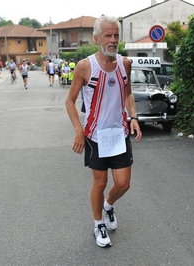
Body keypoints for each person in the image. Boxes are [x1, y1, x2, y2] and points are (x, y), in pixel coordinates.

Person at [65, 15, 142, 248]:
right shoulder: (85, 66)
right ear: (96, 38)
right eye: (108, 35)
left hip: (118, 133)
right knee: (99, 183)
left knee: (123, 184)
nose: (113, 40)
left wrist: (133, 117)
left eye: (116, 35)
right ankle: (98, 223)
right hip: (95, 135)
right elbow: (70, 101)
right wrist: (79, 130)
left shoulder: (125, 64)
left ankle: (108, 205)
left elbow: (128, 94)